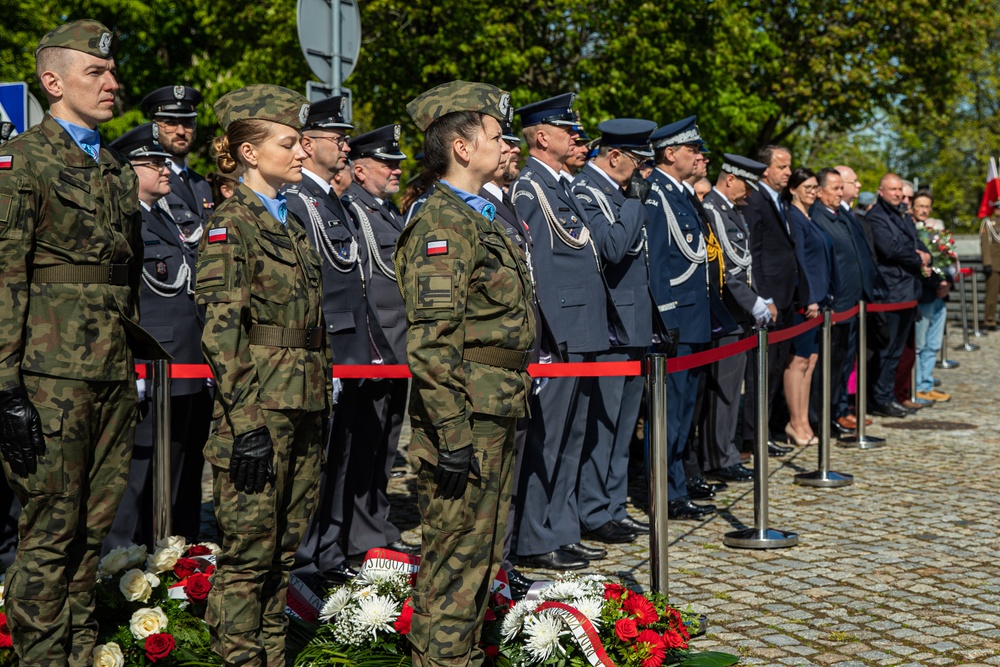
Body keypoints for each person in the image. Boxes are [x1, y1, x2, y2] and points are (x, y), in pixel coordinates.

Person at [0, 20, 166, 664]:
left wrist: (135, 366)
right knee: (49, 527)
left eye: (111, 72)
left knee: (92, 530)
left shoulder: (114, 166)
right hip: (49, 376)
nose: (111, 82)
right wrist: (6, 386)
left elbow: (127, 279)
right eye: (94, 72)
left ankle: (77, 648)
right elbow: (7, 276)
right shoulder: (22, 163)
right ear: (52, 81)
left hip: (109, 370)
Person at [397, 79, 535, 667]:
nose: (507, 146)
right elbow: (431, 342)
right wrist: (451, 432)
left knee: (477, 555)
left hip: (495, 405)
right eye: (497, 135)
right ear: (460, 145)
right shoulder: (442, 225)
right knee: (455, 558)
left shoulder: (481, 216)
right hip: (466, 417)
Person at [196, 84, 332, 664]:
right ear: (249, 153)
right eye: (289, 143)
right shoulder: (232, 224)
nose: (302, 153)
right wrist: (247, 423)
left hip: (302, 406)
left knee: (283, 553)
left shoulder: (292, 223)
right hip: (258, 413)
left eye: (302, 142)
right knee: (248, 556)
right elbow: (222, 332)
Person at [282, 96, 397, 586]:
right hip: (329, 349)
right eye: (337, 138)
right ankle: (306, 562)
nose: (346, 145)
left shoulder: (333, 200)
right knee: (319, 464)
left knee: (344, 458)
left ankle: (328, 554)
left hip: (354, 349)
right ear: (307, 145)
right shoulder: (297, 202)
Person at [510, 93, 610, 569]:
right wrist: (543, 342)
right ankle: (534, 536)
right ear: (542, 137)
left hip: (582, 329)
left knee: (572, 438)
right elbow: (536, 272)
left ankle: (562, 527)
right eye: (568, 131)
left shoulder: (561, 186)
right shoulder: (529, 189)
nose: (577, 138)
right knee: (547, 441)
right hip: (559, 335)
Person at [104, 123, 210, 550]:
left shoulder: (171, 217)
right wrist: (136, 364)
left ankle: (174, 558)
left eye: (165, 162)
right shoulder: (124, 218)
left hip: (187, 362)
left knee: (181, 465)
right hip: (153, 364)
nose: (166, 170)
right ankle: (121, 564)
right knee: (138, 473)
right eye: (154, 163)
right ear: (129, 171)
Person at [571, 118, 662, 545]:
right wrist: (634, 203)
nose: (643, 172)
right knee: (603, 426)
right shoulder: (587, 190)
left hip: (632, 323)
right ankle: (593, 510)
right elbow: (611, 248)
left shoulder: (615, 191)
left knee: (625, 425)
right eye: (639, 163)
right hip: (609, 326)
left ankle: (613, 504)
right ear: (615, 156)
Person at [342, 125, 419, 558]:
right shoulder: (353, 209)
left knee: (386, 442)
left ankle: (375, 518)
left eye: (397, 163)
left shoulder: (386, 211)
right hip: (374, 347)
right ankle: (358, 529)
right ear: (359, 168)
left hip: (398, 344)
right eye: (386, 163)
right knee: (364, 442)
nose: (395, 170)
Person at [644, 116, 719, 520]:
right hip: (676, 321)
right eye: (693, 150)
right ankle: (664, 493)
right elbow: (657, 261)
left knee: (683, 413)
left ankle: (678, 483)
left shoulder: (681, 194)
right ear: (671, 153)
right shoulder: (657, 193)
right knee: (668, 416)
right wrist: (666, 317)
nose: (700, 157)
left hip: (694, 318)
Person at [699, 154, 774, 484]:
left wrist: (758, 298)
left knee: (733, 387)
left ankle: (725, 450)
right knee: (724, 391)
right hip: (726, 313)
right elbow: (724, 270)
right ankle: (718, 455)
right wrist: (752, 302)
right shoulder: (712, 210)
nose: (749, 193)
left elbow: (743, 263)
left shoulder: (732, 211)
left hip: (740, 313)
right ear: (730, 179)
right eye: (746, 185)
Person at [742, 145, 809, 454]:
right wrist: (763, 296)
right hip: (769, 299)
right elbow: (753, 253)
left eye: (788, 167)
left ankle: (764, 430)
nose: (788, 172)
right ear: (765, 169)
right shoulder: (756, 200)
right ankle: (754, 435)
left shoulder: (779, 200)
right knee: (762, 372)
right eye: (782, 167)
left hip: (786, 297)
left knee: (775, 368)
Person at [866, 173, 927, 418]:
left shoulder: (902, 214)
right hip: (890, 293)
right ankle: (880, 398)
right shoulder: (876, 217)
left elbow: (915, 241)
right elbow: (889, 248)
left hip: (907, 291)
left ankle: (888, 395)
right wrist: (917, 257)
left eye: (900, 190)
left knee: (897, 352)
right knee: (886, 350)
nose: (898, 194)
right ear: (881, 191)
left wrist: (923, 253)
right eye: (892, 189)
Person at [782, 168, 830, 445]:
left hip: (819, 299)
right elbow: (800, 260)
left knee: (810, 362)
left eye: (815, 187)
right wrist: (809, 295)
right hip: (805, 301)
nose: (813, 192)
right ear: (794, 189)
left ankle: (803, 420)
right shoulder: (794, 217)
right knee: (797, 361)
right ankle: (795, 422)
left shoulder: (810, 217)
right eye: (808, 187)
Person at [141, 85, 214, 236]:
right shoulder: (147, 181)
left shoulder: (201, 184)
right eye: (171, 123)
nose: (181, 131)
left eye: (187, 123)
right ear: (154, 127)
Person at [912, 191, 953, 403]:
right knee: (919, 343)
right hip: (924, 294)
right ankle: (917, 384)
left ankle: (926, 382)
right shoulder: (911, 230)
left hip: (939, 294)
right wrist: (937, 283)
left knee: (933, 343)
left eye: (927, 206)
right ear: (912, 207)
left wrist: (947, 283)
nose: (923, 210)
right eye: (919, 206)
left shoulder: (936, 231)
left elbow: (947, 260)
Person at [980, 209, 1000, 331]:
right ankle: (989, 320)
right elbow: (985, 244)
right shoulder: (988, 223)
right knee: (992, 295)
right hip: (995, 264)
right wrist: (987, 262)